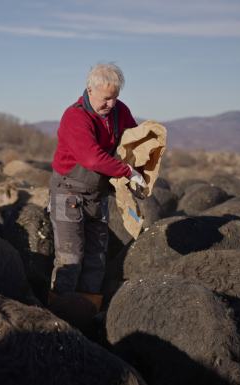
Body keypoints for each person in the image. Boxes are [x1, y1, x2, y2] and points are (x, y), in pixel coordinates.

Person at [48, 62, 146, 312]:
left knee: (95, 258)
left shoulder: (118, 111)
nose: (111, 104)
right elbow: (91, 158)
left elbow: (133, 138)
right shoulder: (75, 116)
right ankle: (60, 316)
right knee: (71, 257)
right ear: (89, 90)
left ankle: (88, 314)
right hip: (69, 191)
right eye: (106, 98)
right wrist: (126, 171)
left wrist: (144, 165)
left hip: (98, 193)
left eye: (115, 98)